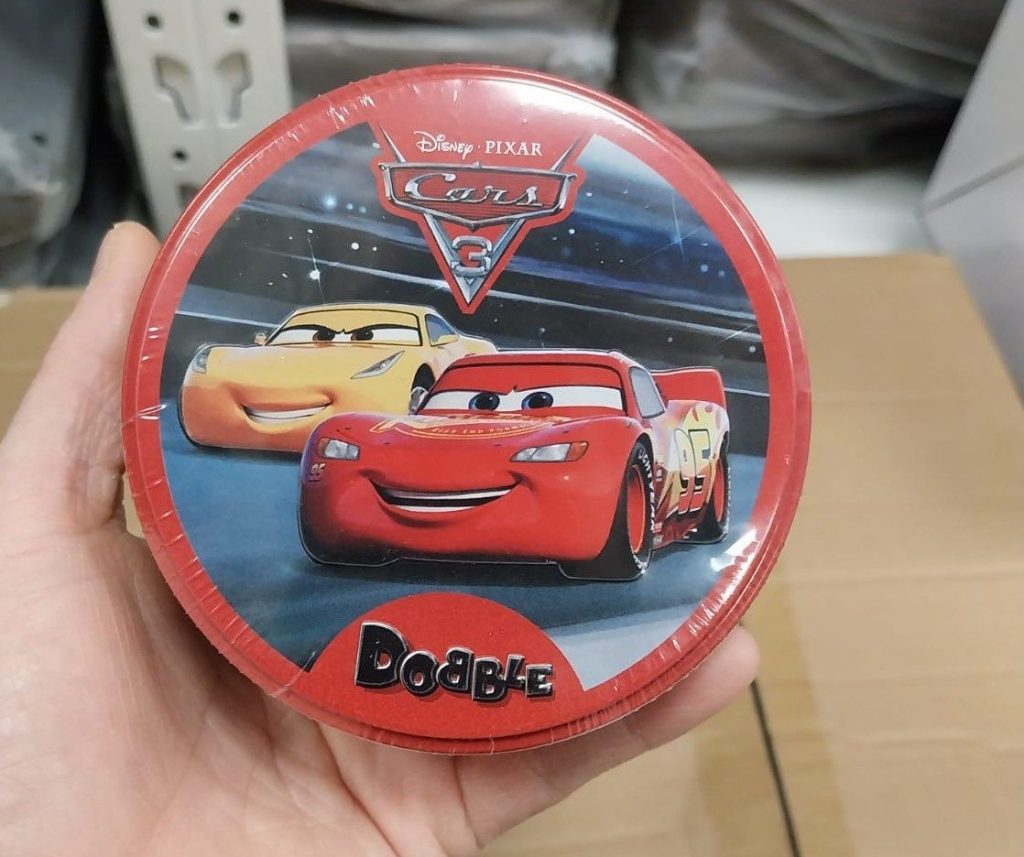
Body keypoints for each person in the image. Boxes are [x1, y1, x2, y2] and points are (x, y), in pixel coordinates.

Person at [0, 223, 758, 856]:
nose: (497, 406)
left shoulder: (630, 415)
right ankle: (357, 542)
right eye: (479, 399)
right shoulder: (411, 413)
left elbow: (617, 433)